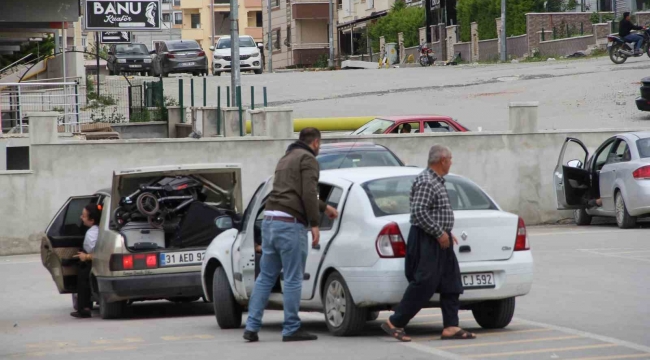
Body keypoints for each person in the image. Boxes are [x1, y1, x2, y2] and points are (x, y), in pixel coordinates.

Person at [244, 127, 339, 343]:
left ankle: (251, 327)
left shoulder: (285, 159)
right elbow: (308, 192)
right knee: (293, 278)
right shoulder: (308, 160)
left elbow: (293, 192)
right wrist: (315, 223)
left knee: (266, 276)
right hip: (290, 224)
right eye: (320, 145)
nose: (319, 148)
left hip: (270, 221)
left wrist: (324, 207)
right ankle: (291, 328)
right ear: (315, 143)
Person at [382, 145, 476, 342]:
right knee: (425, 283)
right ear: (442, 160)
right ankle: (395, 322)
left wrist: (446, 232)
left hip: (442, 238)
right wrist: (438, 232)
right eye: (450, 159)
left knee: (452, 282)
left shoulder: (437, 181)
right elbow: (418, 212)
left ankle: (451, 326)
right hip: (428, 239)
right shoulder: (426, 182)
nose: (451, 162)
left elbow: (433, 212)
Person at [70, 203, 102, 318]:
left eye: (83, 216)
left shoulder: (91, 234)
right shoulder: (99, 230)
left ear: (92, 220)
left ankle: (84, 308)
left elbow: (100, 254)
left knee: (83, 275)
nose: (81, 217)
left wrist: (86, 257)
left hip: (97, 263)